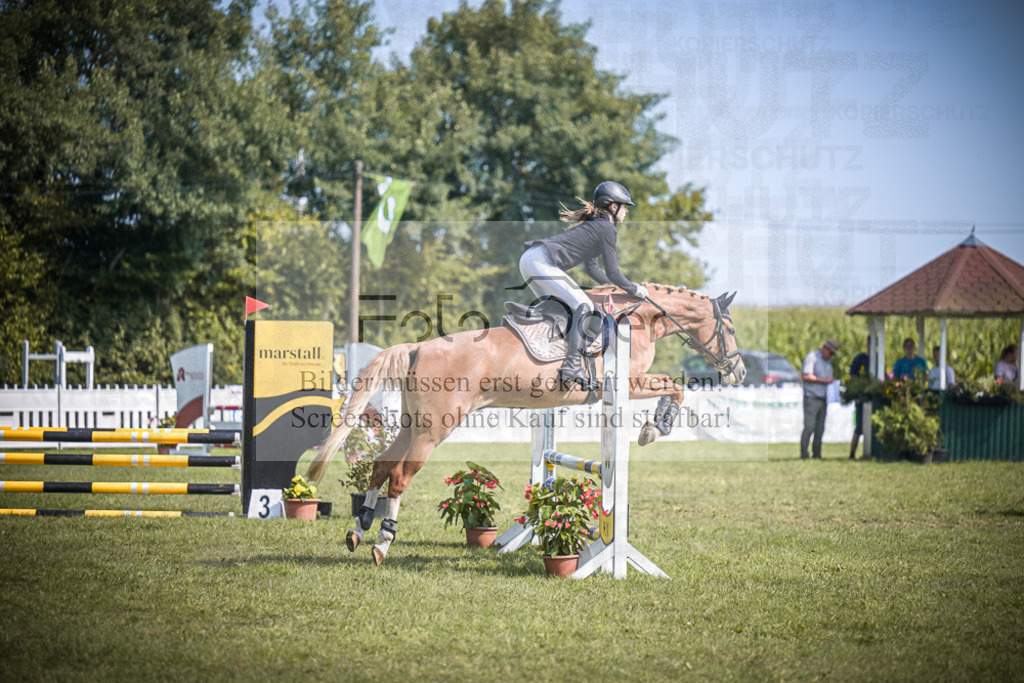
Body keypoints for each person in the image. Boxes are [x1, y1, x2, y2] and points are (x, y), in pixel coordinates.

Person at [518, 181, 649, 388]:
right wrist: (636, 289)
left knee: (560, 310)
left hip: (530, 260)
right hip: (541, 262)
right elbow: (613, 272)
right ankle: (571, 365)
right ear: (613, 207)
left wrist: (610, 287)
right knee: (585, 307)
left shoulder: (596, 226)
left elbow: (593, 269)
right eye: (625, 206)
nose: (626, 212)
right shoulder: (606, 228)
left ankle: (547, 353)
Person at [801, 339, 839, 460]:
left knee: (820, 428)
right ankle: (804, 454)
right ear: (825, 349)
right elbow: (806, 375)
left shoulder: (829, 362)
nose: (831, 355)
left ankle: (817, 454)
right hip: (811, 398)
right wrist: (824, 380)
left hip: (823, 399)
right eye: (831, 353)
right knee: (809, 427)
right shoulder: (812, 357)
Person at [848, 337, 870, 459]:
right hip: (861, 397)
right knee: (860, 427)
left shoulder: (878, 358)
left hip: (873, 396)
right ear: (867, 344)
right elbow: (852, 376)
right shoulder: (860, 358)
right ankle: (852, 453)